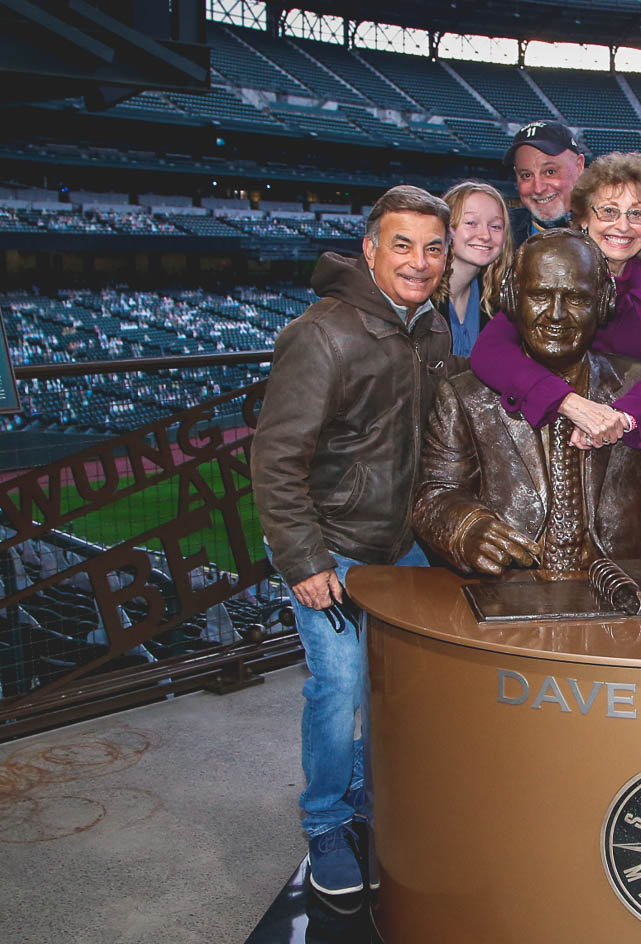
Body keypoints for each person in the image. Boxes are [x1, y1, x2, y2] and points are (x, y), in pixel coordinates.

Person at [249, 185, 455, 904]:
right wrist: (304, 562)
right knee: (338, 685)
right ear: (370, 250)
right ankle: (326, 821)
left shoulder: (431, 327)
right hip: (334, 546)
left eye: (433, 247)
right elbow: (274, 460)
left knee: (398, 682)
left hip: (402, 545)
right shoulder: (321, 333)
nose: (419, 261)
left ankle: (369, 793)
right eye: (402, 244)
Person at [414, 228, 641, 575]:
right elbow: (434, 495)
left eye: (576, 298)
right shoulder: (464, 397)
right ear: (514, 300)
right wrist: (467, 528)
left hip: (625, 590)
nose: (557, 314)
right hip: (510, 596)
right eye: (540, 295)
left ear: (603, 302)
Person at [470, 151, 641, 453]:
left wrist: (625, 416)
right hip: (544, 434)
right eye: (608, 211)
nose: (623, 226)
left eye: (637, 213)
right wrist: (567, 402)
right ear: (583, 219)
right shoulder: (551, 265)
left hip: (624, 445)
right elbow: (490, 351)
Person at [437, 180, 512, 357]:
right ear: (446, 228)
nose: (485, 235)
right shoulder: (419, 298)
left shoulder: (498, 300)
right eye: (471, 223)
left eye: (495, 226)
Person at [504, 120, 587, 243]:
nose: (538, 188)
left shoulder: (610, 233)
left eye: (550, 172)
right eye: (526, 175)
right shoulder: (500, 234)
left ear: (578, 166)